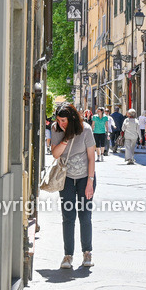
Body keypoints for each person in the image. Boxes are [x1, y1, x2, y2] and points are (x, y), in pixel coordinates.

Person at [48, 104, 97, 269]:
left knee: (85, 216)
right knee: (68, 217)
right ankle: (68, 255)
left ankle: (87, 252)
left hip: (85, 178)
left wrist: (90, 182)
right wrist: (66, 138)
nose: (60, 123)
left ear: (72, 119)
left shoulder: (86, 130)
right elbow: (55, 154)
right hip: (66, 179)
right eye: (58, 120)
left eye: (63, 120)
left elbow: (91, 157)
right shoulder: (56, 129)